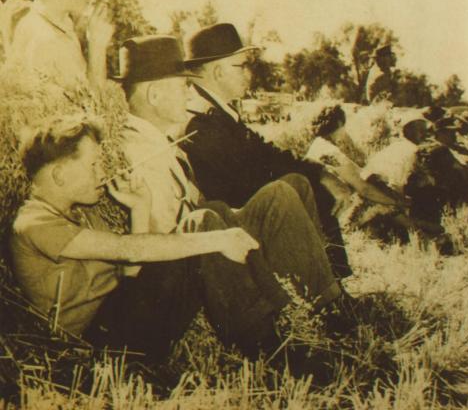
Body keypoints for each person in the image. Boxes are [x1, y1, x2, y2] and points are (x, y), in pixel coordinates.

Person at [115, 35, 351, 353]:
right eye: (182, 85)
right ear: (154, 94)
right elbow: (162, 230)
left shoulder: (159, 141)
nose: (188, 93)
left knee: (279, 194)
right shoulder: (136, 149)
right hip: (179, 265)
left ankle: (326, 303)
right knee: (215, 215)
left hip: (198, 244)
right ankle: (271, 337)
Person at [9, 115, 275, 362]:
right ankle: (266, 346)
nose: (102, 173)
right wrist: (218, 240)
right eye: (93, 165)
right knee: (203, 225)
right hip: (98, 345)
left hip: (123, 318)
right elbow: (129, 250)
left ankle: (276, 319)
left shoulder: (82, 215)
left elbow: (130, 274)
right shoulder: (34, 223)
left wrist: (140, 208)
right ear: (60, 175)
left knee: (212, 212)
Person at [181, 23, 352, 279]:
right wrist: (310, 179)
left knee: (306, 182)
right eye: (241, 66)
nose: (248, 74)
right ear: (217, 72)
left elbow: (265, 154)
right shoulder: (200, 120)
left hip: (238, 216)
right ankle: (327, 289)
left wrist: (321, 171)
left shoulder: (218, 111)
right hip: (229, 228)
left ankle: (331, 283)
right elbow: (236, 186)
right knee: (298, 184)